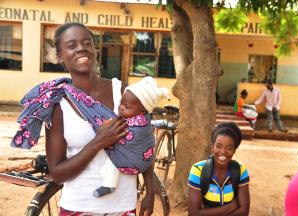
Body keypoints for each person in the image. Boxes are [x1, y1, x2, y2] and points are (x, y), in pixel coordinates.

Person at [10, 22, 154, 215]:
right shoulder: (57, 105)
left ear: (94, 49)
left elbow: (144, 143)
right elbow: (58, 173)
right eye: (71, 45)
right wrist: (98, 142)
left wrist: (150, 190)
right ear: (60, 55)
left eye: (87, 43)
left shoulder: (123, 92)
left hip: (123, 206)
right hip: (78, 207)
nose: (81, 48)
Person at [94, 76, 169, 197]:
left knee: (112, 159)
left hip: (134, 163)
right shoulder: (137, 118)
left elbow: (123, 138)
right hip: (142, 162)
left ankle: (109, 184)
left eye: (127, 106)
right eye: (121, 103)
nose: (121, 107)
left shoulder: (140, 124)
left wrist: (108, 129)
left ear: (142, 111)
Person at [187, 122, 250, 216]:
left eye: (229, 148)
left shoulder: (240, 171)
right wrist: (231, 207)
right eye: (218, 146)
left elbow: (244, 212)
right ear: (212, 147)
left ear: (234, 150)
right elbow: (194, 213)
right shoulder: (198, 170)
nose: (223, 151)